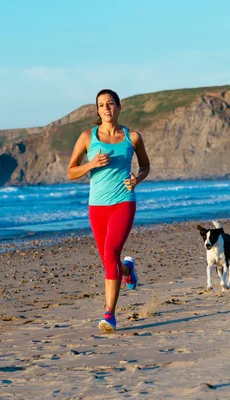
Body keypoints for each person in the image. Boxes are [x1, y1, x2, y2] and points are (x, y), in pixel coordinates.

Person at [67, 89, 150, 332]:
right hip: (97, 206)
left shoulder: (132, 137)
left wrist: (137, 179)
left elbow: (145, 165)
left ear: (118, 106)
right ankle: (127, 271)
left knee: (111, 252)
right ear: (97, 110)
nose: (106, 108)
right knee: (109, 260)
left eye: (110, 103)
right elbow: (71, 171)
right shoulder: (87, 137)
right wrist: (91, 164)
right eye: (101, 105)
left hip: (124, 201)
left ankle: (109, 314)